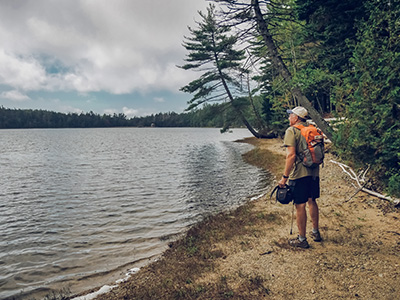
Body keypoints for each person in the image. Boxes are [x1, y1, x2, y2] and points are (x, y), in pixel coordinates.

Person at [278, 106, 322, 249]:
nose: (289, 117)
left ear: (296, 117)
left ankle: (302, 239)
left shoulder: (291, 131)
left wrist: (284, 177)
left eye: (290, 115)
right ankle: (315, 232)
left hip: (299, 174)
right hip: (314, 172)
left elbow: (290, 156)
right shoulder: (312, 128)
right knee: (312, 200)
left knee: (300, 205)